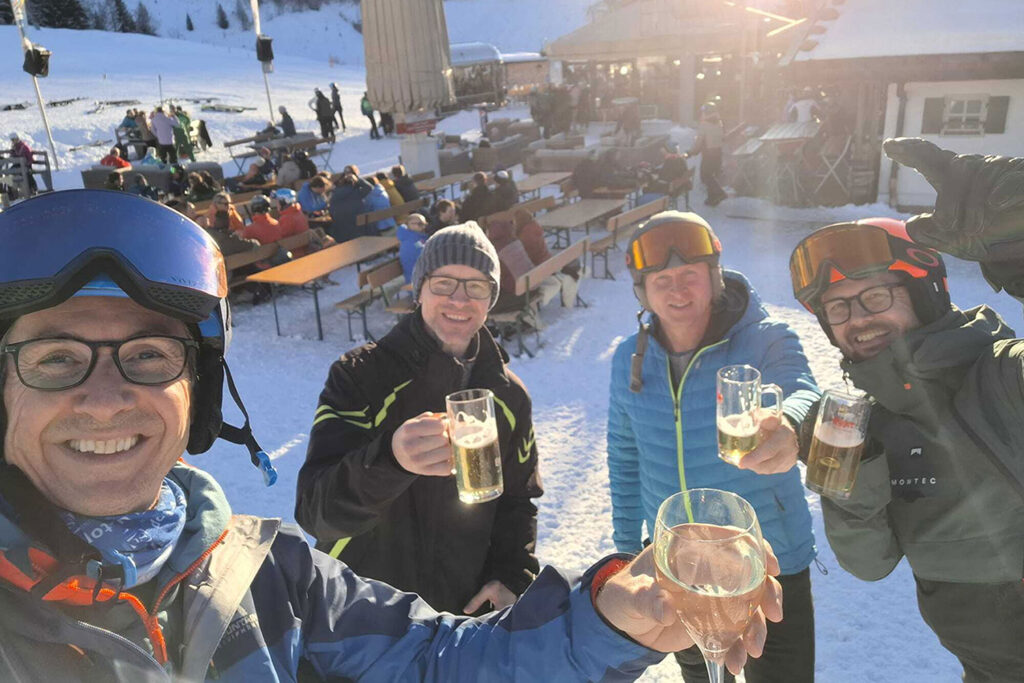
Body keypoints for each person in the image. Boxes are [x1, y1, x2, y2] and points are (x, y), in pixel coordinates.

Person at [0, 189, 784, 681]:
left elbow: (520, 500)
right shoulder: (361, 376)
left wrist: (516, 578)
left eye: (147, 356)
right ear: (419, 291)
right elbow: (317, 507)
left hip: (450, 625)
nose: (105, 400)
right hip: (372, 616)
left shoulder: (507, 395)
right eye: (55, 359)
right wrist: (389, 459)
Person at [787, 136, 1024, 682]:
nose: (857, 319)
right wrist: (843, 466)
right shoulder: (861, 421)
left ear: (925, 296)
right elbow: (867, 564)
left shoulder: (1004, 376)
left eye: (875, 297)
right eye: (838, 308)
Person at [608, 211, 820, 683]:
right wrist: (625, 550)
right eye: (662, 280)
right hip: (679, 563)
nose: (678, 292)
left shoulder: (766, 338)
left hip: (768, 559)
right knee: (702, 676)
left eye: (690, 275)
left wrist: (790, 425)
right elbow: (623, 455)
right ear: (643, 292)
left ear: (714, 277)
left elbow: (802, 389)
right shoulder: (629, 358)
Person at [686, 102, 727, 207]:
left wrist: (691, 152)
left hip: (709, 154)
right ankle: (712, 198)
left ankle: (720, 193)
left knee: (705, 176)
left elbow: (699, 141)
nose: (702, 114)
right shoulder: (719, 123)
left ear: (706, 112)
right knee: (712, 175)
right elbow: (722, 137)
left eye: (703, 112)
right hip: (718, 152)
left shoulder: (704, 125)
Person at [327, 171, 373, 242]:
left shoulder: (333, 196)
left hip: (342, 234)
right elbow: (369, 187)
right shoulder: (356, 192)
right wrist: (357, 179)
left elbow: (331, 212)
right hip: (361, 230)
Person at [397, 212, 428, 283]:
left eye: (424, 224)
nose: (423, 227)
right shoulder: (411, 242)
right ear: (409, 224)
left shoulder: (418, 237)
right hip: (417, 281)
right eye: (420, 224)